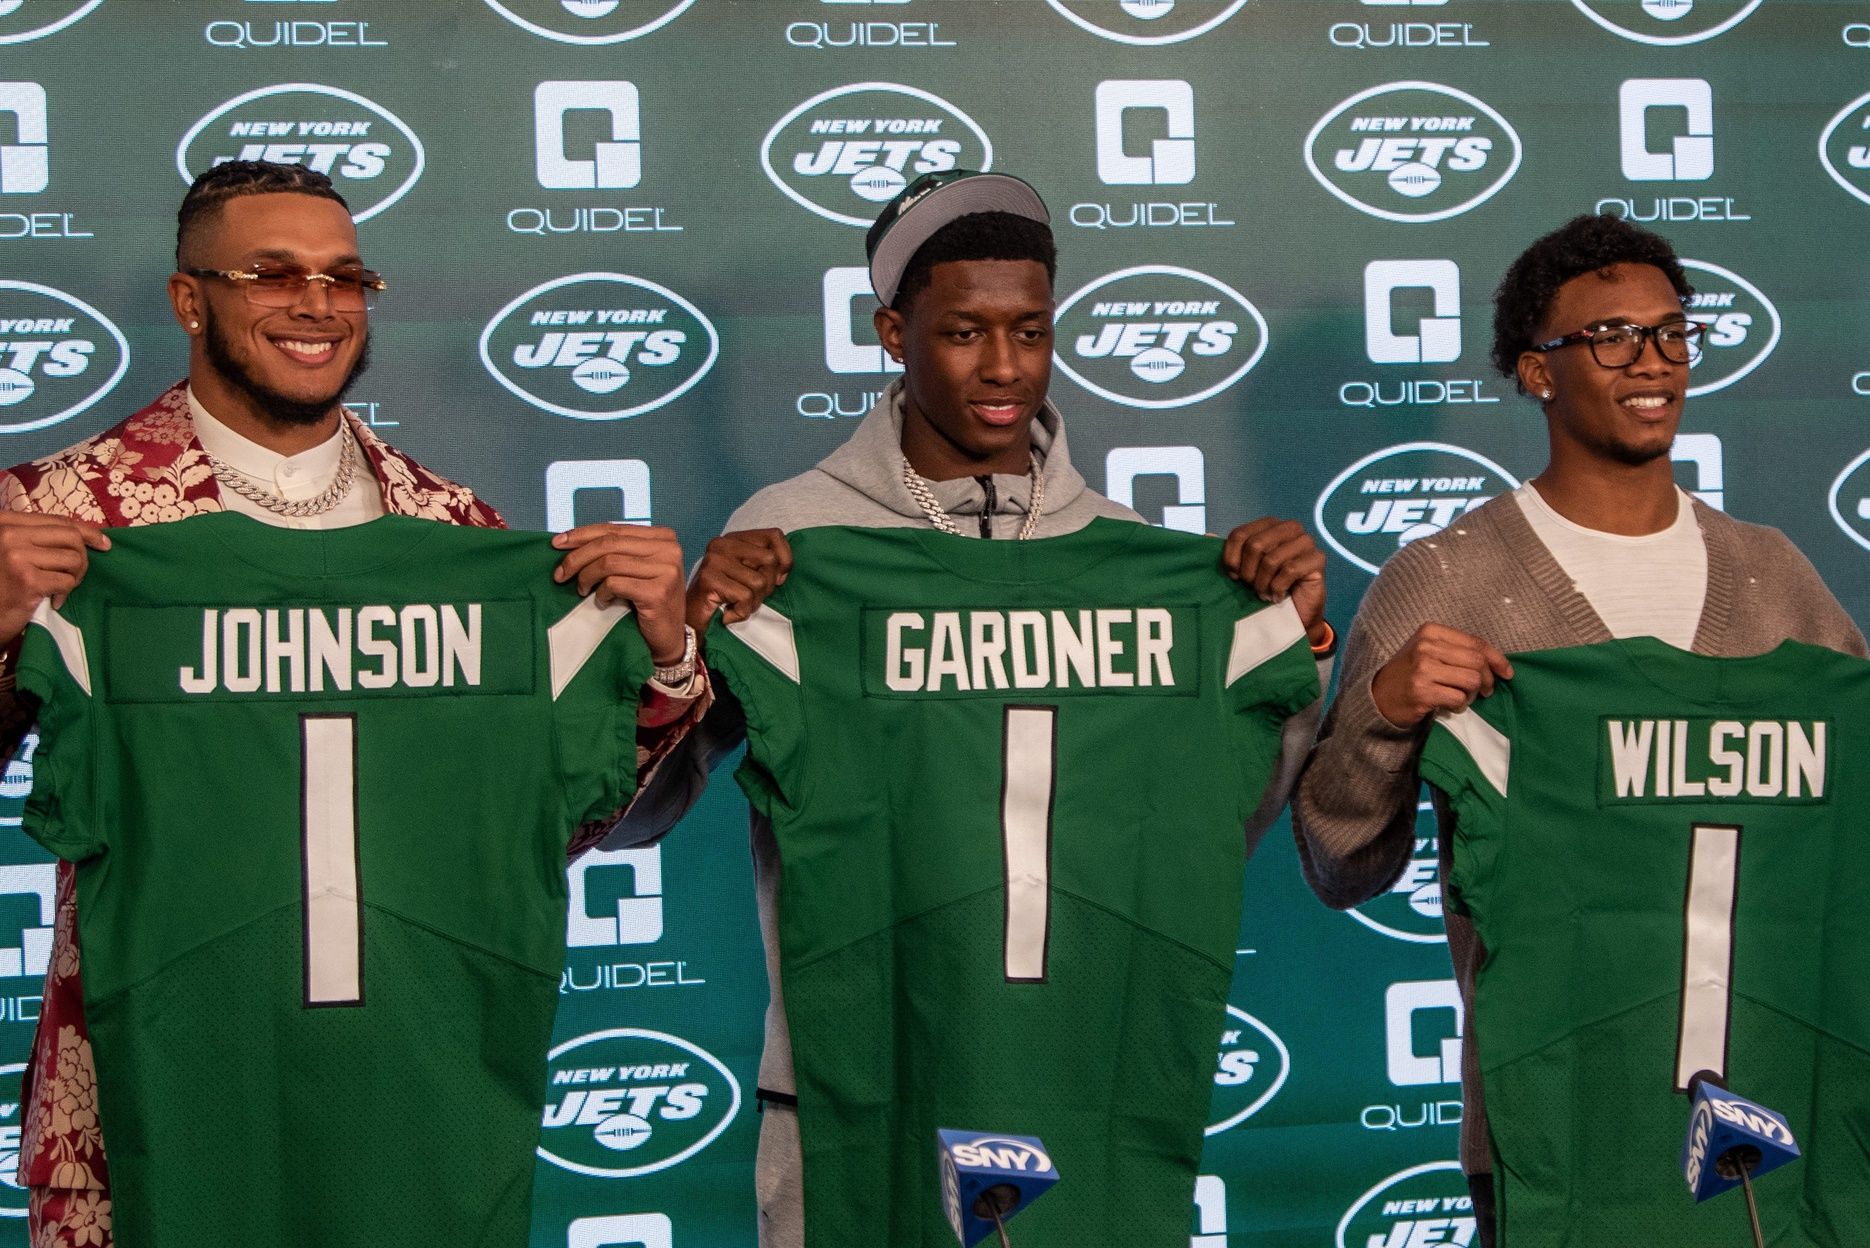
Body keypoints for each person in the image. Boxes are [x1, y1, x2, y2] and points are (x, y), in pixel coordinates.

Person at [613, 169, 1335, 1246]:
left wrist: (1289, 646)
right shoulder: (788, 543)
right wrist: (682, 644)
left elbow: (1213, 816)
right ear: (892, 332)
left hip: (1089, 1067)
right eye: (962, 333)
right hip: (855, 1073)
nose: (1004, 368)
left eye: (1030, 330)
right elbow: (633, 810)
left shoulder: (1146, 563)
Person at [0, 160, 705, 1247]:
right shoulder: (64, 518)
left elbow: (561, 818)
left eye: (346, 277)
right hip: (147, 1092)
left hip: (413, 1096)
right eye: (273, 274)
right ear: (191, 298)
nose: (318, 305)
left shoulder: (458, 534)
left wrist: (662, 655)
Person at [1292, 212, 1865, 1246]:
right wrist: (1381, 715)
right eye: (1609, 337)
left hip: (1779, 1122)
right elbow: (1338, 861)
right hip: (1552, 1122)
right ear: (1535, 371)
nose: (1650, 363)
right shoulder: (1449, 576)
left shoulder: (1771, 575)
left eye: (1669, 333)